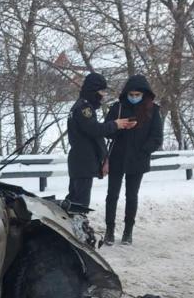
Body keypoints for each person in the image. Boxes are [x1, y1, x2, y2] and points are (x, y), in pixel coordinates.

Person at [103, 74, 164, 245]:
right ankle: (109, 230)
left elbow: (157, 137)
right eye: (132, 94)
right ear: (126, 93)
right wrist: (119, 126)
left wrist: (144, 151)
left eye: (138, 94)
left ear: (144, 94)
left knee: (132, 196)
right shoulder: (117, 108)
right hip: (117, 157)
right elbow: (106, 131)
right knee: (112, 195)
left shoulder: (153, 110)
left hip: (138, 159)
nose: (134, 97)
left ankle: (128, 231)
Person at [65, 72, 136, 214]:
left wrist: (104, 157)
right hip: (83, 162)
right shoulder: (84, 108)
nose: (103, 95)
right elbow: (94, 130)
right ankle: (77, 230)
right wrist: (115, 124)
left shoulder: (81, 106)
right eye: (101, 91)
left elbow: (93, 134)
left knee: (74, 201)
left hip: (80, 162)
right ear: (93, 91)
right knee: (80, 204)